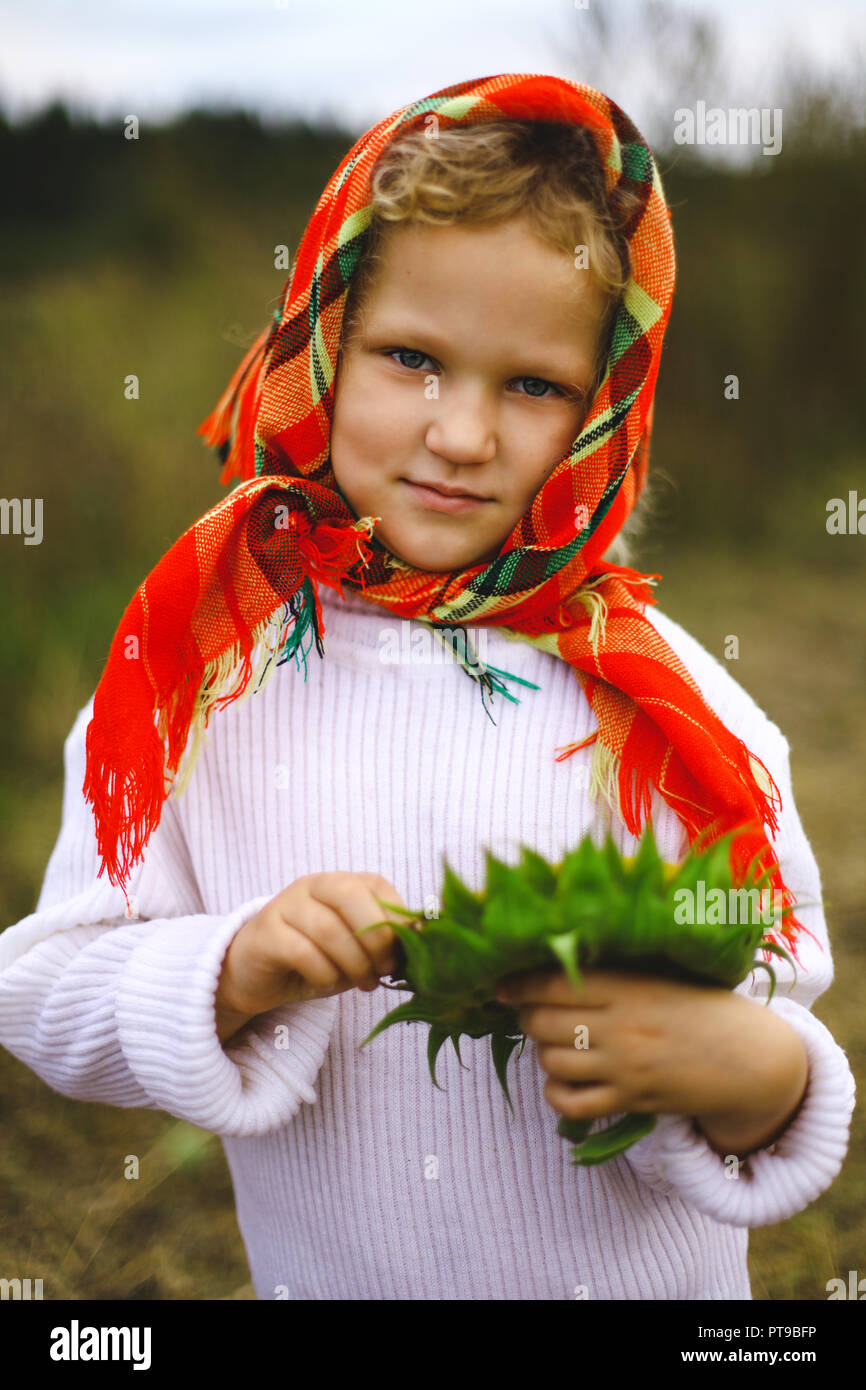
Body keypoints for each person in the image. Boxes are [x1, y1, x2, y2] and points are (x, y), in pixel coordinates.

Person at [0, 74, 855, 1301]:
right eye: (411, 358)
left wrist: (745, 1071)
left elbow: (778, 1006)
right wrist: (228, 965)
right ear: (323, 345)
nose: (461, 433)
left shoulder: (677, 715)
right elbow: (41, 993)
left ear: (606, 408)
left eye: (532, 385)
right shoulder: (198, 675)